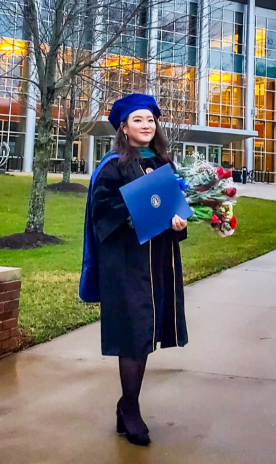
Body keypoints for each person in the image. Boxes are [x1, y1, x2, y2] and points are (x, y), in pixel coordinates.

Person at [84, 93, 188, 446]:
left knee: (145, 334)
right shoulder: (112, 166)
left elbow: (174, 209)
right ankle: (130, 409)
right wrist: (133, 213)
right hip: (126, 264)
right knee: (133, 336)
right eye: (138, 120)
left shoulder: (163, 163)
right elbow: (103, 212)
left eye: (150, 120)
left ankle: (125, 405)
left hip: (156, 262)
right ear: (124, 128)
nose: (146, 126)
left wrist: (178, 223)